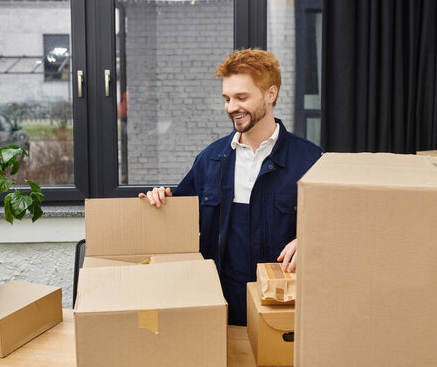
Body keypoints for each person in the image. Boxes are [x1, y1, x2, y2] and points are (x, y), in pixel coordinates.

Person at [138, 49, 322, 325]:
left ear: (270, 94)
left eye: (241, 97)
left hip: (285, 314)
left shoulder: (311, 161)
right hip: (219, 311)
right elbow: (178, 223)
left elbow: (341, 228)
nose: (231, 107)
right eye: (227, 98)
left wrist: (312, 239)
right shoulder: (209, 159)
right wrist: (161, 198)